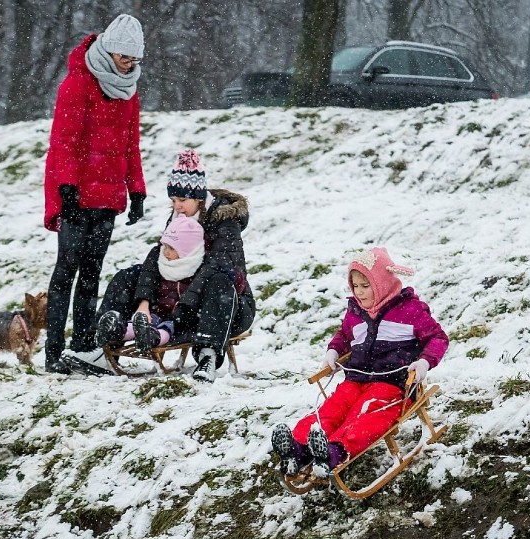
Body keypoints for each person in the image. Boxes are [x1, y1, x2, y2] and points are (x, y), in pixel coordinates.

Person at [271, 247, 449, 477]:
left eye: (366, 286)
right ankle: (298, 448)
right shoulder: (355, 311)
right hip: (356, 378)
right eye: (355, 286)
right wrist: (334, 351)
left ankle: (335, 450)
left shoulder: (409, 310)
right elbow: (344, 336)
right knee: (332, 408)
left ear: (382, 283)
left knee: (365, 413)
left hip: (392, 384)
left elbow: (438, 337)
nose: (360, 292)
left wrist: (425, 362)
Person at [42, 14, 147, 374]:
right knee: (65, 272)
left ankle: (82, 347)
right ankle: (53, 351)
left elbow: (131, 145)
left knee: (91, 272)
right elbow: (64, 141)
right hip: (76, 194)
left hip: (108, 196)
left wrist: (136, 191)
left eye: (135, 59)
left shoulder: (129, 91)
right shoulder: (77, 83)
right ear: (110, 50)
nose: (129, 64)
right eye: (125, 57)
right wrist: (67, 187)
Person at [96, 149, 255, 382]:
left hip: (225, 306)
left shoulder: (225, 223)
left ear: (199, 198)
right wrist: (144, 303)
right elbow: (161, 253)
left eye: (182, 200)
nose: (177, 206)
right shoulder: (179, 216)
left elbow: (215, 266)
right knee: (129, 275)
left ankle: (208, 355)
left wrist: (183, 306)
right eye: (173, 201)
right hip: (178, 297)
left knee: (219, 281)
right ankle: (109, 335)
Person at [96, 215, 205, 354]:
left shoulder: (197, 270)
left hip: (182, 322)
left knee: (167, 328)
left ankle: (150, 338)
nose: (165, 252)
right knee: (144, 322)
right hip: (158, 312)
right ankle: (115, 331)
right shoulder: (161, 263)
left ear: (186, 250)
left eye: (171, 248)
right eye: (164, 245)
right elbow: (149, 284)